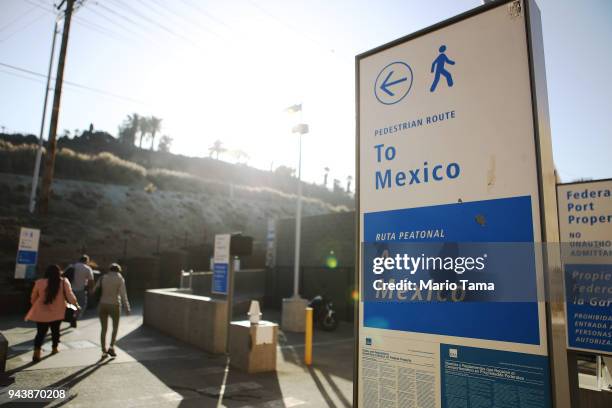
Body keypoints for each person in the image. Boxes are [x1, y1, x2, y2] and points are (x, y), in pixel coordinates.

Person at [25, 265, 80, 362]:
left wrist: (34, 305)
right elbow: (70, 295)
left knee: (40, 333)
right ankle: (54, 348)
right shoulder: (63, 281)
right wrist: (76, 304)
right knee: (55, 331)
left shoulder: (39, 282)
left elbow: (33, 297)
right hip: (58, 312)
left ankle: (36, 353)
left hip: (41, 313)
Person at [93, 263, 130, 358]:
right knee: (115, 328)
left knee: (103, 329)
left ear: (109, 269)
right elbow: (123, 294)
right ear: (119, 270)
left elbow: (94, 290)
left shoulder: (103, 278)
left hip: (102, 304)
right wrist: (127, 307)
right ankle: (111, 347)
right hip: (114, 305)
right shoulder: (120, 279)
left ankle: (103, 351)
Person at [71, 255, 94, 327]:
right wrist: (91, 289)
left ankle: (71, 316)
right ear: (86, 261)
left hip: (71, 289)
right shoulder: (87, 268)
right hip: (81, 289)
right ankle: (76, 317)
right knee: (82, 304)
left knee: (71, 304)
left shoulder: (72, 266)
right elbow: (91, 280)